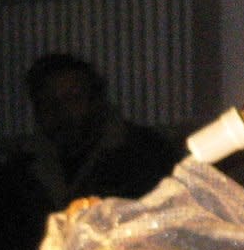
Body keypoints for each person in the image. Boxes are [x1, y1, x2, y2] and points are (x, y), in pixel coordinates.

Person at [9, 54, 181, 211]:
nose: (61, 110)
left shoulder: (146, 154)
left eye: (73, 98)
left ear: (96, 101)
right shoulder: (23, 167)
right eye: (48, 102)